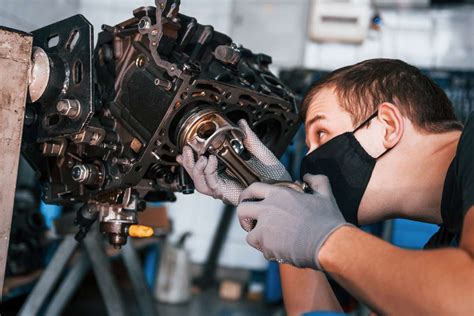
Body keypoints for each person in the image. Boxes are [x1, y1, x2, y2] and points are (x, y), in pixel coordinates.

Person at [177, 59, 474, 314]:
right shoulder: (446, 244)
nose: (310, 160)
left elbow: (466, 298)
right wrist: (275, 198)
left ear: (388, 126)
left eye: (322, 132)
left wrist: (323, 238)